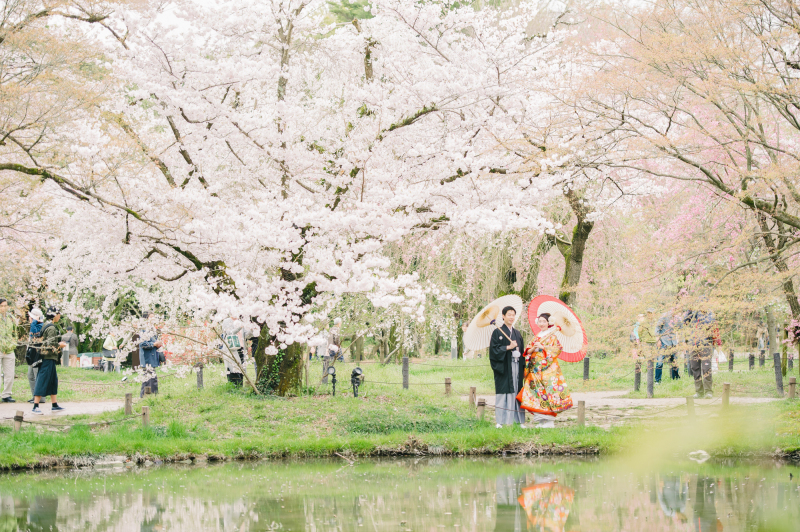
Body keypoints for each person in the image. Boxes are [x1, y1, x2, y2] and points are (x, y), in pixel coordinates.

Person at [518, 313, 572, 428]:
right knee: (536, 393)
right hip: (535, 370)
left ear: (549, 323)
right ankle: (542, 421)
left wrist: (543, 348)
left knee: (547, 394)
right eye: (540, 321)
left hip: (547, 371)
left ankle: (549, 421)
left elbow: (557, 350)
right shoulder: (537, 336)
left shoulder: (552, 336)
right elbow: (527, 351)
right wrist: (533, 348)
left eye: (544, 321)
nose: (541, 324)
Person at [489, 306, 526, 428]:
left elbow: (522, 351)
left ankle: (519, 420)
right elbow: (493, 351)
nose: (511, 317)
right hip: (504, 367)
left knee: (517, 390)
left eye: (513, 315)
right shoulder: (497, 332)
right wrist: (507, 348)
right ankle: (500, 421)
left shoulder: (517, 333)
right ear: (503, 316)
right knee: (504, 392)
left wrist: (520, 356)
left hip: (516, 366)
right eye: (509, 314)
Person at [31, 307, 66, 415]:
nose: (59, 316)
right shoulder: (51, 328)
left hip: (48, 358)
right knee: (42, 380)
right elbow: (50, 344)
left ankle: (54, 404)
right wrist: (60, 345)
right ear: (54, 315)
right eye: (59, 314)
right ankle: (35, 406)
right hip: (47, 358)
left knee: (52, 381)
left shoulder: (46, 324)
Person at [682, 308, 715, 398]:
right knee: (695, 368)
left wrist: (700, 313)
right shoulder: (693, 314)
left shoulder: (709, 314)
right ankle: (699, 391)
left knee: (706, 368)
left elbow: (708, 323)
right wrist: (689, 310)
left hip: (705, 345)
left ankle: (708, 391)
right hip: (693, 345)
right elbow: (685, 322)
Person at [138, 311, 163, 396]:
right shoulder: (143, 329)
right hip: (147, 357)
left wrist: (158, 344)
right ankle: (145, 396)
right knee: (148, 379)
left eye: (154, 317)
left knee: (152, 379)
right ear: (146, 319)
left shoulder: (152, 329)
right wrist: (153, 344)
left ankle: (153, 395)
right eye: (151, 317)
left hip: (153, 356)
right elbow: (142, 344)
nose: (153, 319)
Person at [0, 299, 19, 403]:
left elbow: (15, 333)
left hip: (9, 349)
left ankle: (6, 394)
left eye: (5, 306)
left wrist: (13, 344)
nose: (3, 308)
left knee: (10, 374)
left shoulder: (11, 318)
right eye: (1, 306)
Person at [221, 314, 246, 386]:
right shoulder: (227, 321)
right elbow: (229, 333)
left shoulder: (241, 321)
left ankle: (240, 386)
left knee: (241, 367)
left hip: (241, 347)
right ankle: (234, 386)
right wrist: (240, 327)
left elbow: (246, 335)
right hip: (232, 348)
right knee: (233, 367)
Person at [655, 310, 680, 382]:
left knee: (674, 360)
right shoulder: (664, 316)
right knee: (660, 362)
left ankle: (675, 378)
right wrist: (658, 340)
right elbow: (657, 328)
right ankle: (657, 380)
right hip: (663, 341)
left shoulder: (678, 318)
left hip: (673, 342)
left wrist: (680, 342)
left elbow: (680, 330)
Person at [26, 307, 44, 403]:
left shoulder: (39, 325)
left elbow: (34, 334)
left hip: (37, 354)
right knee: (30, 375)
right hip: (32, 354)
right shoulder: (34, 324)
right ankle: (34, 395)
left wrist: (34, 321)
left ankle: (40, 397)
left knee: (37, 375)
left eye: (30, 317)